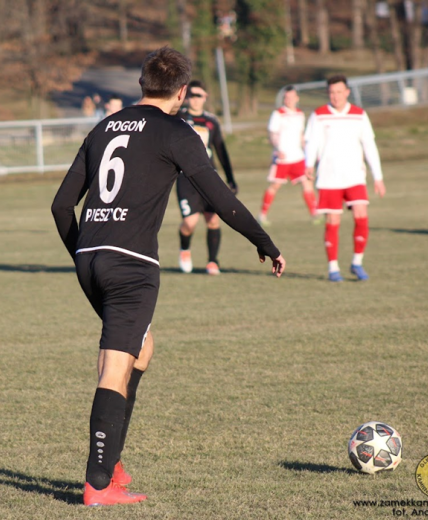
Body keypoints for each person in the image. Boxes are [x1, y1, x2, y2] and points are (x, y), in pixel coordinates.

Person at [51, 47, 285, 507]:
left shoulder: (104, 126)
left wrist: (82, 253)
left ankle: (112, 458)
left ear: (142, 84)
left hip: (90, 256)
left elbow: (62, 206)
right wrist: (264, 242)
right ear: (181, 92)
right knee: (114, 367)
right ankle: (99, 483)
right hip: (131, 268)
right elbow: (218, 195)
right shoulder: (177, 130)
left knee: (142, 348)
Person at [304, 75, 385, 282]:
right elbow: (311, 142)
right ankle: (333, 268)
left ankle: (357, 262)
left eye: (339, 92)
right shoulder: (319, 115)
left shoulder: (359, 115)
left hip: (354, 176)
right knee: (333, 220)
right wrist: (309, 164)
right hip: (329, 178)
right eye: (332, 92)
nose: (336, 96)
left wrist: (378, 176)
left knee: (361, 214)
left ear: (347, 92)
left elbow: (369, 145)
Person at [176, 80, 237, 275]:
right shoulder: (180, 118)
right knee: (190, 223)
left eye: (199, 96)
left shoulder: (211, 121)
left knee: (213, 220)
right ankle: (185, 249)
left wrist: (230, 178)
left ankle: (212, 261)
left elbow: (220, 150)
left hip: (209, 177)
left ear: (205, 98)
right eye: (192, 95)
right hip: (186, 178)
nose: (195, 99)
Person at [258, 86, 318, 225]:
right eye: (287, 97)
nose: (289, 100)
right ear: (284, 99)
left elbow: (301, 136)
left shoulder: (300, 114)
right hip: (283, 158)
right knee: (275, 186)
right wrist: (277, 148)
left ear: (297, 98)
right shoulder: (278, 114)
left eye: (292, 97)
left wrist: (308, 152)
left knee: (306, 182)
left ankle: (315, 214)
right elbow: (272, 134)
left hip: (298, 157)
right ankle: (262, 215)